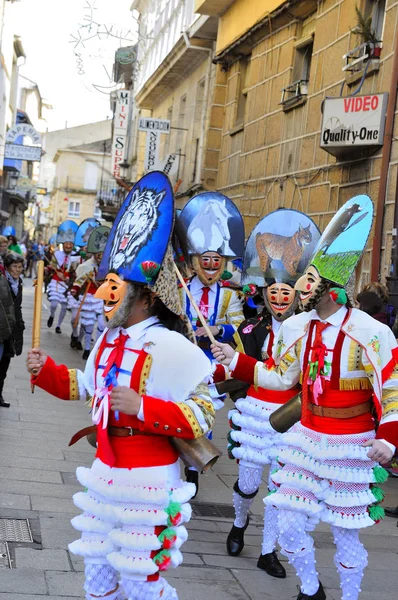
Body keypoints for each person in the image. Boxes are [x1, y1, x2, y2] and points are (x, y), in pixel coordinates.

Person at [27, 172, 215, 600]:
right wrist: (46, 371)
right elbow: (87, 387)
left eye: (117, 285)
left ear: (146, 297)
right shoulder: (109, 339)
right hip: (105, 473)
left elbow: (204, 413)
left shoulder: (172, 346)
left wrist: (143, 405)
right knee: (97, 580)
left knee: (140, 583)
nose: (104, 292)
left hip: (150, 479)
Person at [212, 195, 398, 600]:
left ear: (331, 289)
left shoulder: (370, 332)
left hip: (351, 445)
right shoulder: (298, 328)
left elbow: (391, 386)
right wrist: (237, 362)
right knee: (290, 525)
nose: (300, 287)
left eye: (309, 281)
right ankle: (311, 591)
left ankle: (349, 596)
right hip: (305, 439)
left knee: (346, 534)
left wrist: (388, 438)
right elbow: (281, 378)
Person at [224, 210, 321, 578]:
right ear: (264, 294)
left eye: (286, 292)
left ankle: (269, 552)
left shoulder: (309, 332)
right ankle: (238, 522)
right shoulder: (250, 330)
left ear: (296, 295)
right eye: (274, 292)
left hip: (292, 418)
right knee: (248, 485)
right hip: (255, 416)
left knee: (279, 490)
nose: (280, 298)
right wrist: (225, 365)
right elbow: (235, 374)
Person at [178, 191, 245, 494]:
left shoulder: (229, 295)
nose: (210, 265)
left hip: (211, 365)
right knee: (180, 410)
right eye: (205, 260)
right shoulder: (180, 290)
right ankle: (183, 460)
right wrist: (184, 327)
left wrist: (217, 330)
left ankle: (193, 463)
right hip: (181, 360)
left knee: (203, 415)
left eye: (215, 261)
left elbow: (240, 325)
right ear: (196, 261)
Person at [69, 226, 110, 359]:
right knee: (89, 324)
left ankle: (96, 349)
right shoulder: (86, 266)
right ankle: (87, 349)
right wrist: (75, 289)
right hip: (90, 297)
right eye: (99, 255)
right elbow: (79, 281)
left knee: (102, 324)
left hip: (103, 298)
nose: (101, 257)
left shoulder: (109, 267)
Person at [47, 220, 80, 334]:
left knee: (65, 306)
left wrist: (69, 278)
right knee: (54, 304)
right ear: (63, 244)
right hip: (56, 282)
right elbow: (51, 267)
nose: (68, 246)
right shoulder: (56, 254)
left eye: (70, 244)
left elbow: (75, 273)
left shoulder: (76, 258)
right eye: (67, 244)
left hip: (66, 285)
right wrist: (50, 270)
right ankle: (51, 315)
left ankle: (58, 325)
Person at [0, 253, 24, 407]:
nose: (17, 270)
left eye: (20, 267)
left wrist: (19, 327)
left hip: (12, 329)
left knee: (4, 365)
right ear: (7, 267)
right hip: (2, 328)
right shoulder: (2, 281)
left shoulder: (18, 283)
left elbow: (17, 307)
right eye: (14, 266)